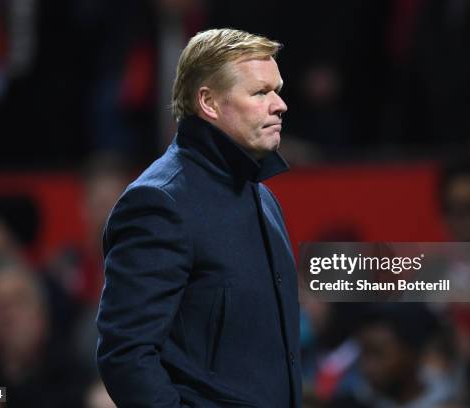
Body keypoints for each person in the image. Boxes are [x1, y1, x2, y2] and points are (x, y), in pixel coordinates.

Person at [96, 28, 301, 407]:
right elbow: (125, 355)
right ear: (208, 102)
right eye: (260, 92)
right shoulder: (158, 202)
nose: (279, 104)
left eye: (277, 89)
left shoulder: (264, 198)